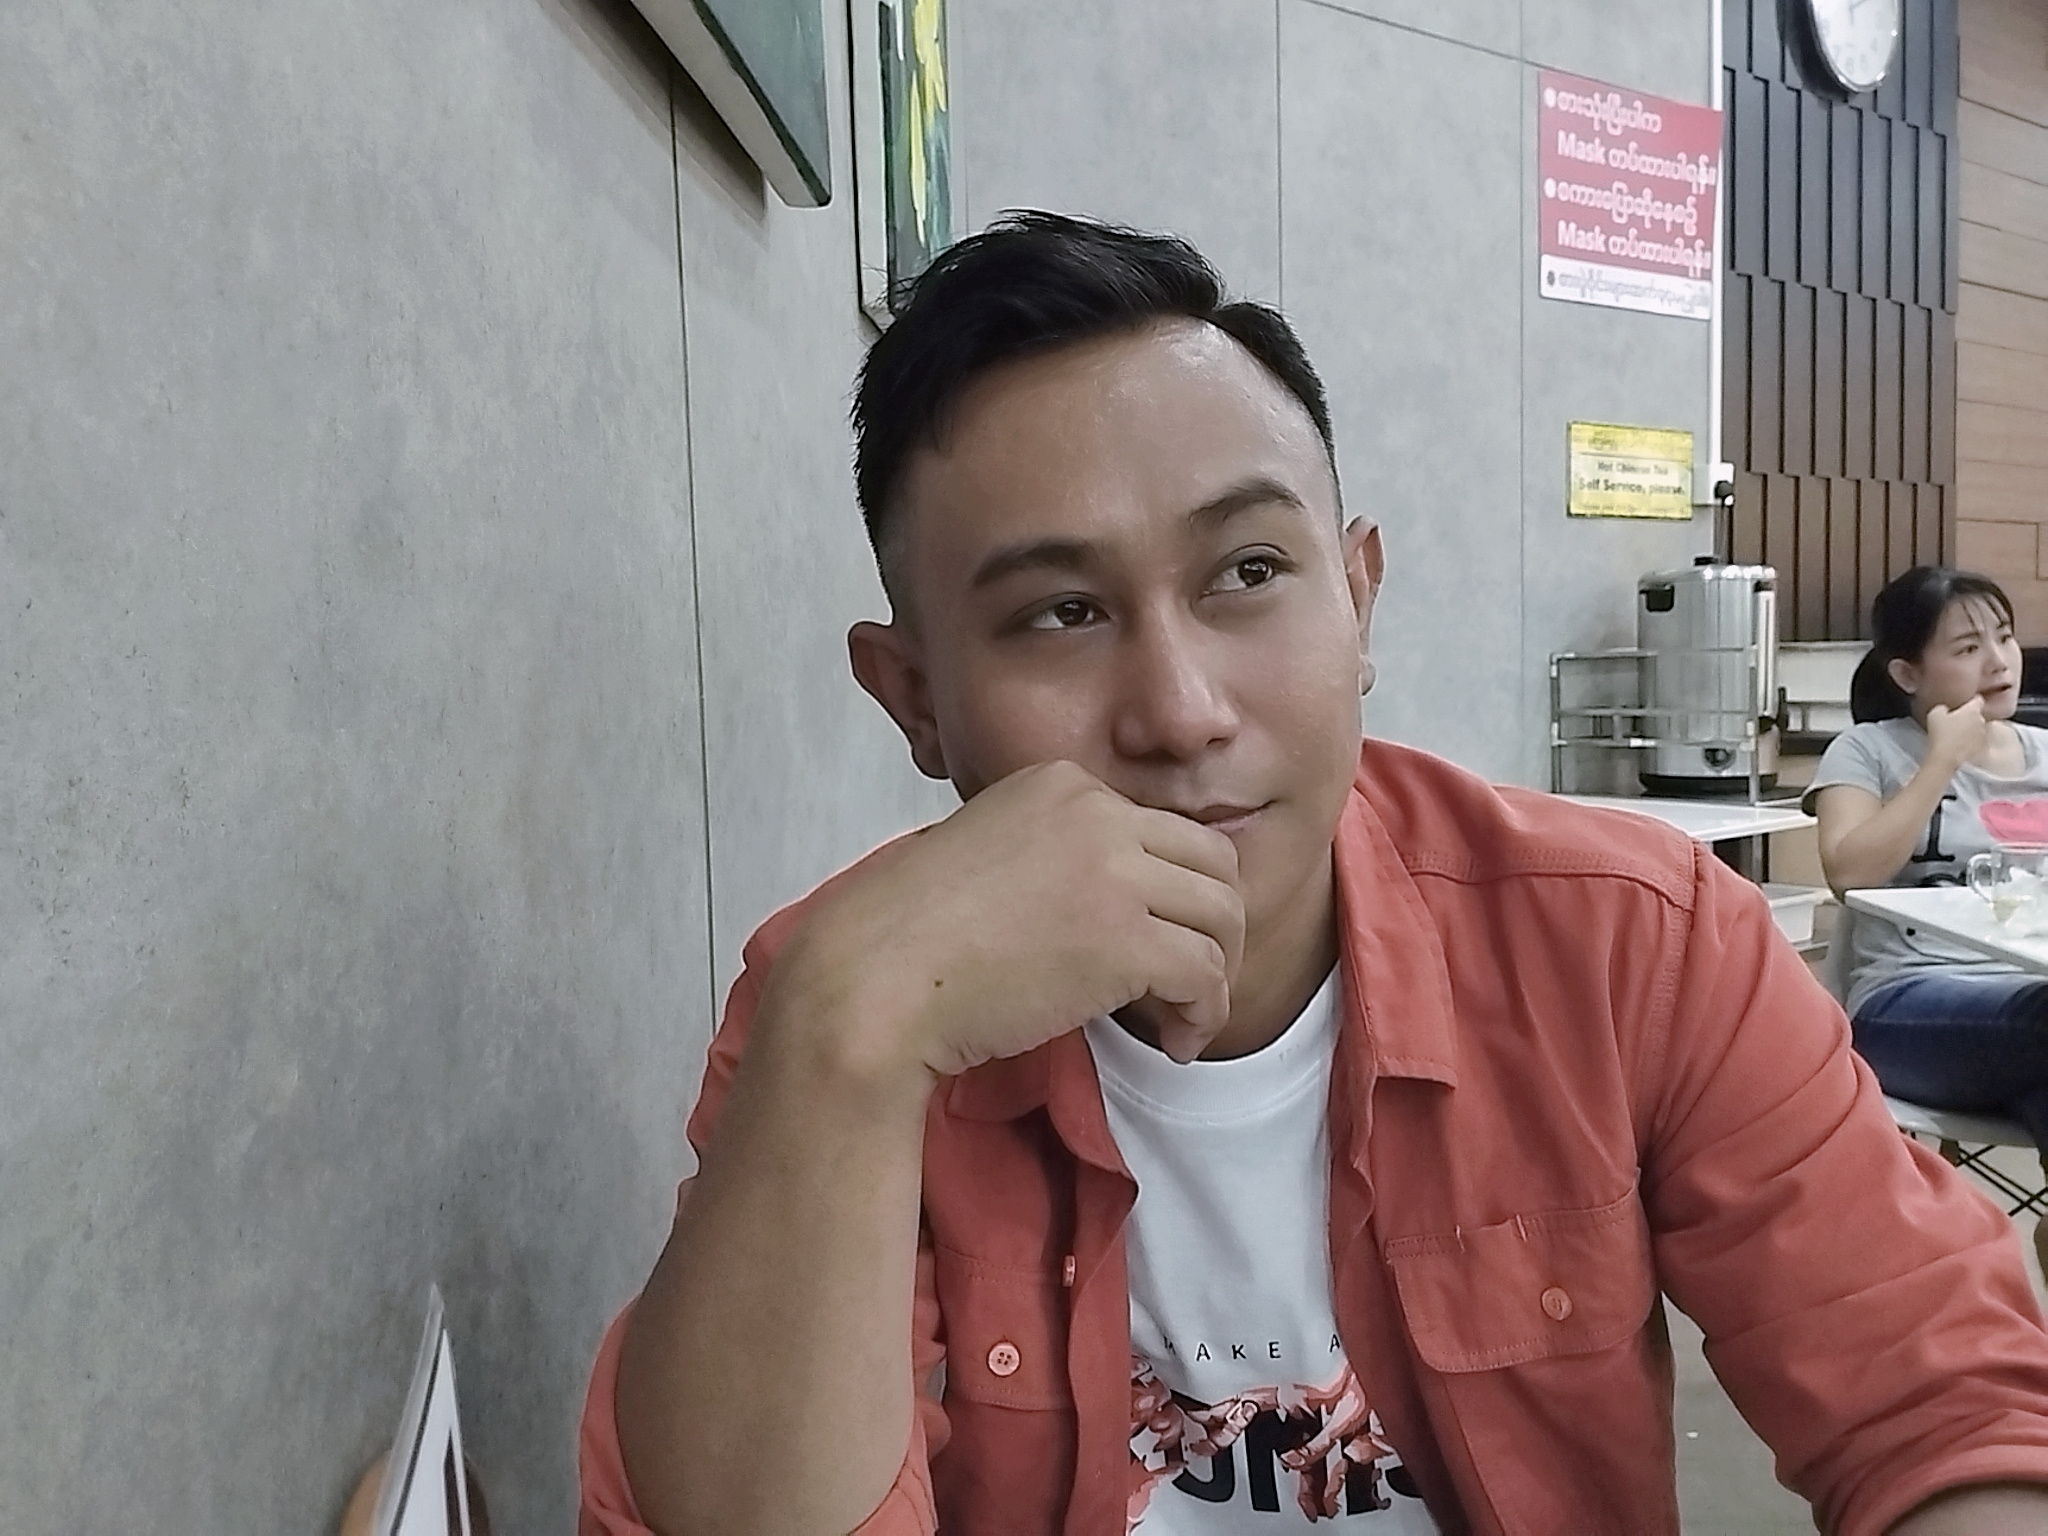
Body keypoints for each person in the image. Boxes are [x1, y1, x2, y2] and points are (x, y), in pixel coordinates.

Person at [578, 214, 2048, 1535]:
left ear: (1358, 599)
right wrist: (845, 1036)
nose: (1180, 713)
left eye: (1248, 574)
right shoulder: (847, 1007)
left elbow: (1941, 1404)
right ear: (913, 700)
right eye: (1060, 613)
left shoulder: (1633, 944)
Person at [1809, 566, 2048, 1273]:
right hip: (1904, 1005)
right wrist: (1941, 761)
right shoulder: (1868, 750)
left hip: (2026, 1003)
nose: (1999, 661)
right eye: (1968, 648)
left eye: (2004, 637)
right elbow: (1849, 872)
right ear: (1908, 674)